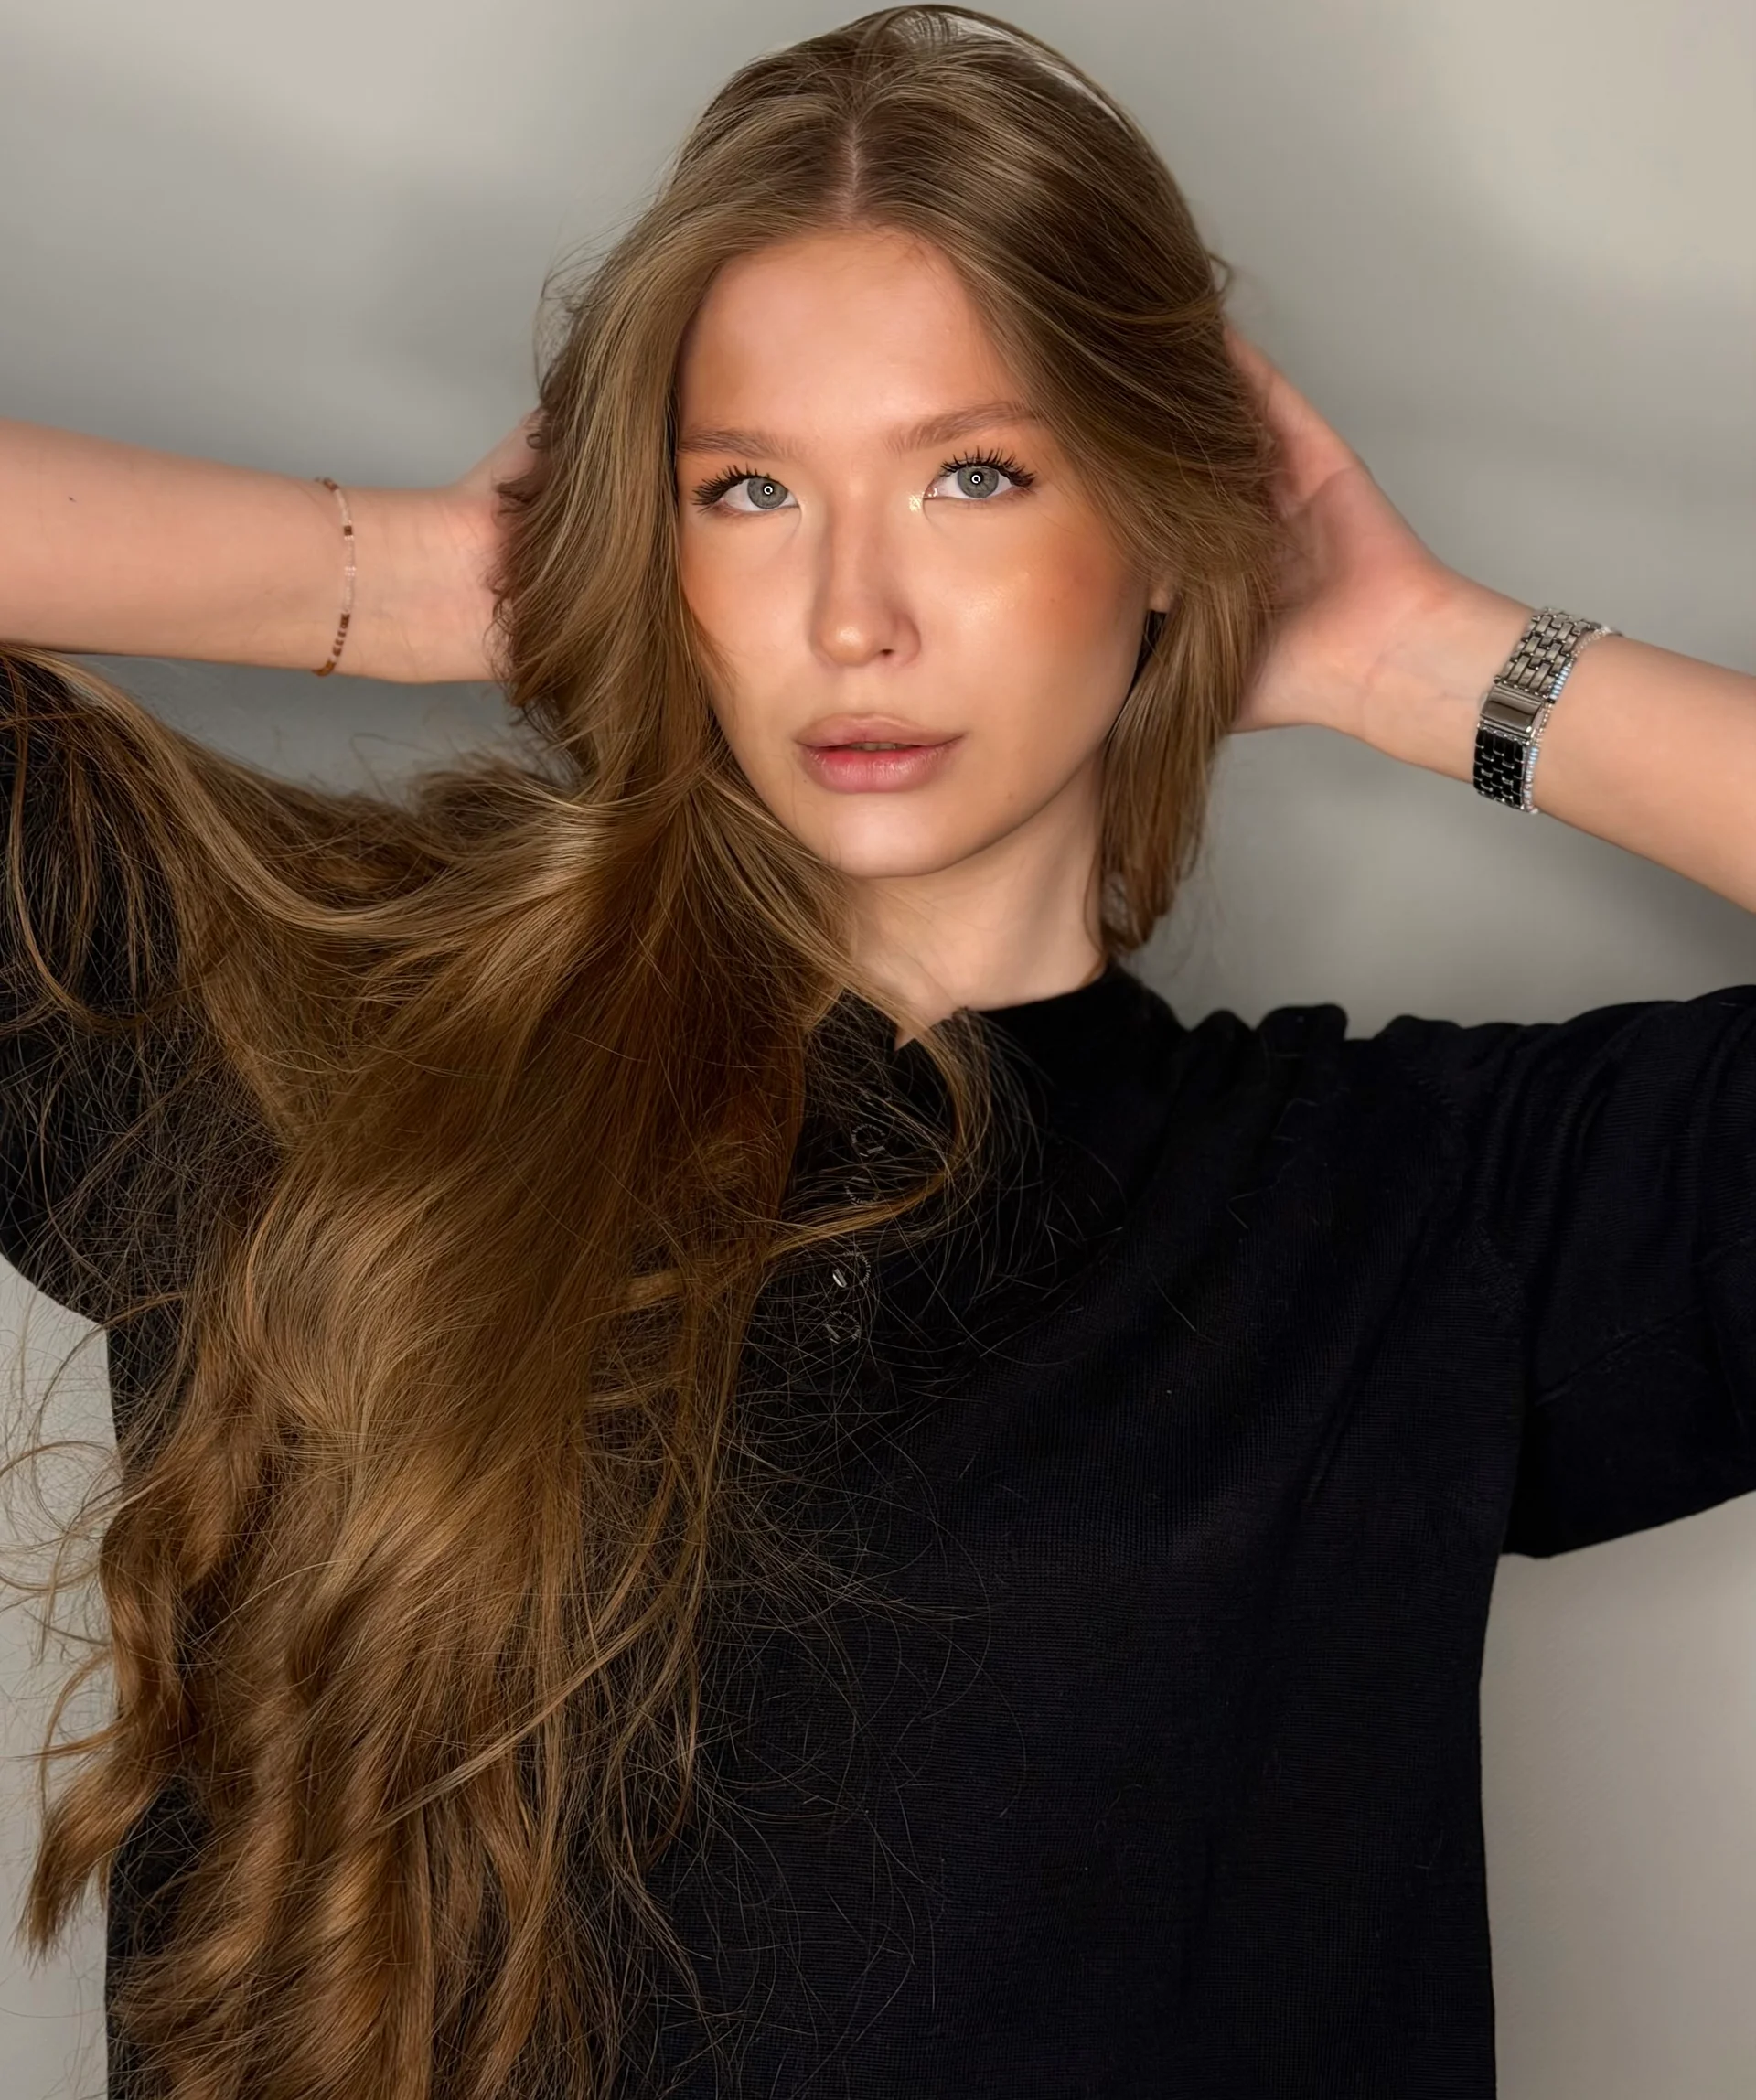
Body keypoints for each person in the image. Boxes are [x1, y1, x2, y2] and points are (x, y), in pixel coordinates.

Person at [3, 6, 1752, 2097]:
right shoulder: (307, 1049)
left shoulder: (1404, 1221)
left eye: (972, 474)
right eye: (747, 490)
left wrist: (1421, 653)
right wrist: (413, 580)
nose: (854, 614)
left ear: (1171, 518)